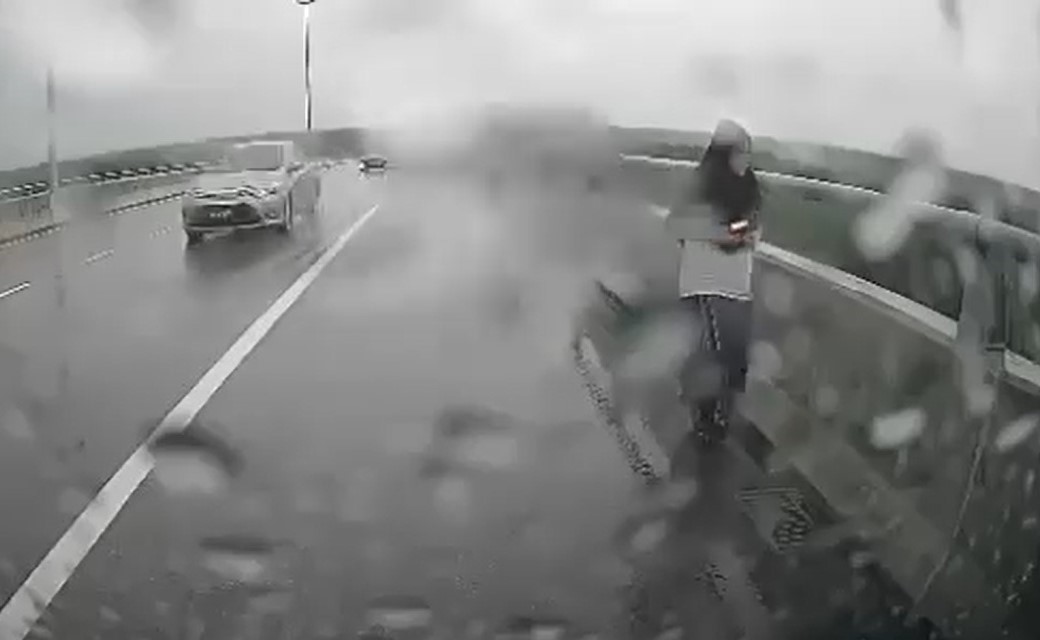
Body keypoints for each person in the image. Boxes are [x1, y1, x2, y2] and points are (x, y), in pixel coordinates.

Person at [666, 118, 760, 448]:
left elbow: (753, 227)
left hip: (736, 283)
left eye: (748, 152)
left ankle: (719, 415)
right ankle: (706, 419)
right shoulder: (700, 187)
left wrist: (745, 235)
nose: (746, 160)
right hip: (703, 282)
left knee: (733, 356)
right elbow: (675, 225)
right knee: (707, 354)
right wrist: (719, 234)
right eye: (740, 152)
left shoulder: (750, 187)